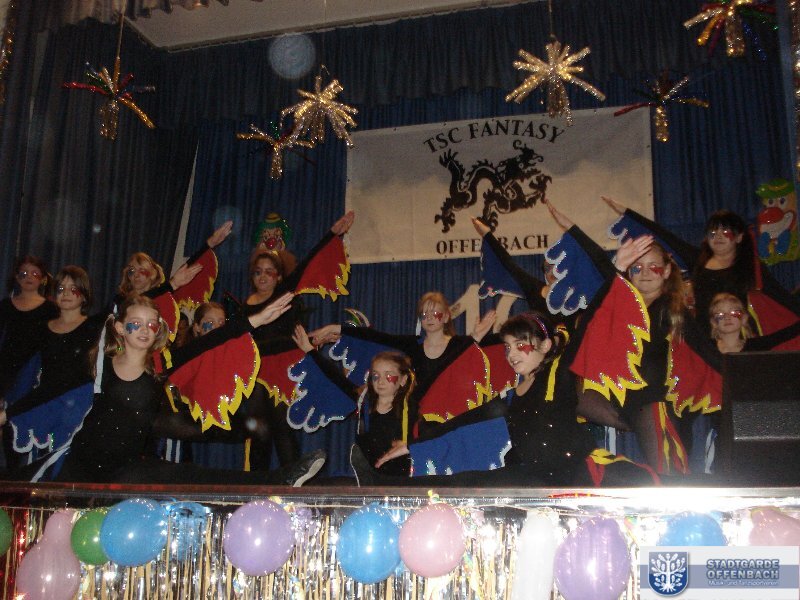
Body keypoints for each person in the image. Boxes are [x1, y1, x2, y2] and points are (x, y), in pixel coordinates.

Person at [0, 292, 325, 486]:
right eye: (135, 324)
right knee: (15, 487)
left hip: (127, 468)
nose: (144, 330)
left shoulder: (160, 364)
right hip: (80, 465)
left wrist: (256, 319)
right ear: (119, 328)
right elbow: (51, 390)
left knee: (195, 477)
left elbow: (213, 341)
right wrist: (7, 414)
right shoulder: (100, 364)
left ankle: (277, 479)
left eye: (151, 324)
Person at [349, 312, 658, 487]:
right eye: (508, 347)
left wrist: (617, 268)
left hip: (576, 473)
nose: (511, 354)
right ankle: (380, 484)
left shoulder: (558, 376)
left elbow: (592, 321)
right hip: (534, 477)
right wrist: (413, 444)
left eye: (520, 345)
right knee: (464, 483)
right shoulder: (510, 397)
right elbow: (461, 422)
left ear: (545, 345)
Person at [308, 290, 495, 440]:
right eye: (424, 314)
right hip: (418, 416)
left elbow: (464, 361)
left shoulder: (459, 345)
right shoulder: (413, 345)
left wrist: (475, 338)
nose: (429, 318)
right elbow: (378, 337)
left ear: (446, 317)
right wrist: (336, 328)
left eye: (435, 313)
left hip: (448, 414)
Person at [602, 197, 800, 338]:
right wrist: (628, 213)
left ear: (739, 237)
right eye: (713, 233)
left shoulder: (750, 266)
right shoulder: (699, 260)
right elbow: (666, 237)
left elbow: (781, 296)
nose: (718, 237)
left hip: (739, 337)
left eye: (726, 232)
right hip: (705, 337)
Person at [2, 267, 104, 467]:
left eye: (73, 289)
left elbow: (73, 376)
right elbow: (18, 362)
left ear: (84, 295)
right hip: (46, 400)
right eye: (61, 288)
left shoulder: (94, 327)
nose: (66, 293)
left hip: (77, 406)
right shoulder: (43, 328)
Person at [0, 256, 58, 396]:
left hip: (34, 370)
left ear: (43, 279)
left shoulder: (50, 309)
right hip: (5, 368)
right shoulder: (5, 306)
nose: (29, 277)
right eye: (24, 273)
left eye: (35, 273)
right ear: (17, 277)